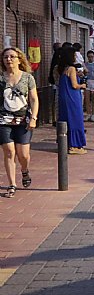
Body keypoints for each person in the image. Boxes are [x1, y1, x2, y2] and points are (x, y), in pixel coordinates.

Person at [0, 48, 38, 198]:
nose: (9, 60)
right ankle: (12, 184)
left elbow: (34, 99)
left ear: (19, 59)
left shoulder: (27, 78)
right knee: (9, 151)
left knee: (23, 155)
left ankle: (24, 170)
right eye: (5, 57)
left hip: (23, 120)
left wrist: (34, 118)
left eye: (12, 57)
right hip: (4, 119)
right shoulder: (1, 78)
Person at [57, 45, 87, 155]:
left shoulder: (63, 69)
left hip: (64, 97)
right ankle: (75, 145)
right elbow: (74, 85)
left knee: (66, 119)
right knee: (76, 119)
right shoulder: (71, 68)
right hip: (72, 97)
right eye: (74, 55)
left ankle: (66, 142)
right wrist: (82, 85)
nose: (75, 57)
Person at [84, 50, 94, 123]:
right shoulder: (85, 64)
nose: (90, 58)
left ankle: (93, 114)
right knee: (87, 99)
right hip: (88, 81)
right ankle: (88, 113)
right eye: (89, 57)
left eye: (92, 57)